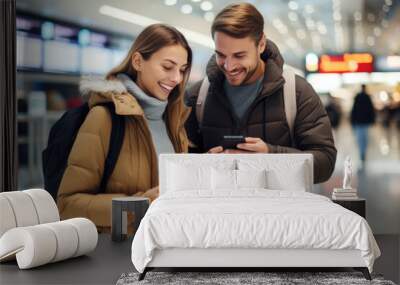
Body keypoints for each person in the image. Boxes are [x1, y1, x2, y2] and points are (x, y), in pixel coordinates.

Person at [57, 24, 192, 231]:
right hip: (119, 255)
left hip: (167, 247)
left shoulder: (174, 121)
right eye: (167, 67)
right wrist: (140, 205)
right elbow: (68, 205)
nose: (176, 78)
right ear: (138, 61)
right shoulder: (104, 118)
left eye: (182, 70)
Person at [185, 3, 337, 183]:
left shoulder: (296, 92)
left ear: (261, 44)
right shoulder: (198, 96)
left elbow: (325, 162)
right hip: (218, 209)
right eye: (221, 55)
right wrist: (204, 163)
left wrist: (270, 156)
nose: (229, 66)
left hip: (282, 209)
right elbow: (182, 163)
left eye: (239, 55)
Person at [351, 84, 375, 163]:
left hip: (358, 121)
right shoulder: (367, 97)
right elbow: (371, 110)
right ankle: (363, 151)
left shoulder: (357, 97)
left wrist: (352, 121)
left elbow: (354, 110)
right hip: (365, 121)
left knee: (360, 138)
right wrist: (372, 120)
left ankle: (362, 152)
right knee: (365, 137)